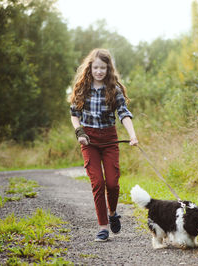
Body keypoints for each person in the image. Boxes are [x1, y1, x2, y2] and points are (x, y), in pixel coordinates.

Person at [69, 48, 138, 242]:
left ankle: (113, 212)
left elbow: (124, 114)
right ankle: (102, 226)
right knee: (98, 183)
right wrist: (79, 132)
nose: (99, 71)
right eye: (96, 67)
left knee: (113, 183)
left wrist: (132, 136)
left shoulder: (113, 90)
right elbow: (75, 114)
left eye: (103, 68)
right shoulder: (82, 88)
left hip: (109, 140)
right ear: (90, 67)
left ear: (109, 69)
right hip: (88, 140)